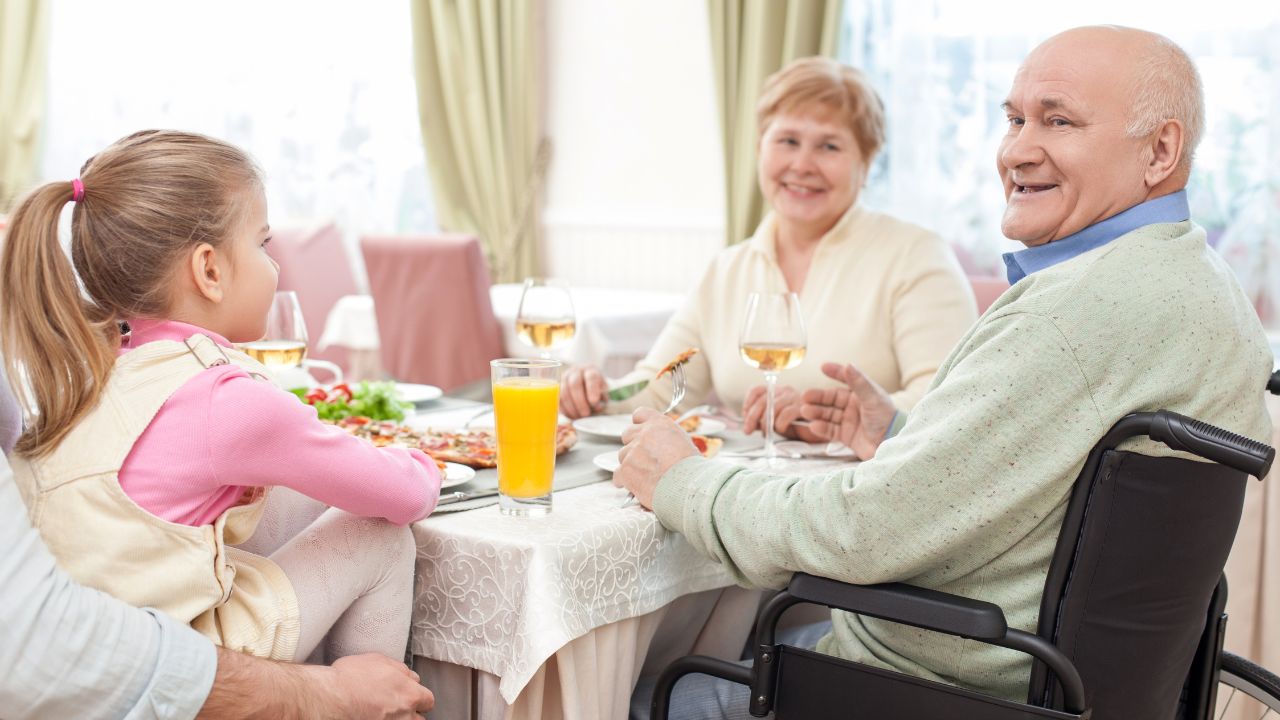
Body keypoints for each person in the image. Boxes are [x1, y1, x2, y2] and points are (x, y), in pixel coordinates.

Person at [616, 25, 1272, 716]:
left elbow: (860, 532)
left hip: (937, 687)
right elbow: (1059, 483)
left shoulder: (1071, 312)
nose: (1016, 150)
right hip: (1069, 684)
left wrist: (681, 482)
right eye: (1015, 120)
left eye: (1059, 120)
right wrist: (903, 430)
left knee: (642, 693)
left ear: (1161, 150)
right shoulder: (1205, 289)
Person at [0, 130, 441, 665]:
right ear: (209, 270)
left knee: (282, 500)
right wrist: (422, 462)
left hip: (91, 645)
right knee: (378, 535)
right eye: (262, 243)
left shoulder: (85, 367)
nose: (273, 265)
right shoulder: (225, 397)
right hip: (183, 657)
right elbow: (404, 495)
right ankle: (367, 694)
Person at [560, 56, 976, 439]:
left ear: (866, 164)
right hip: (748, 492)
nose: (802, 165)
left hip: (867, 493)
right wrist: (598, 394)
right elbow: (664, 390)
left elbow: (948, 401)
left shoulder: (916, 256)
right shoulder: (727, 269)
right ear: (760, 149)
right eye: (788, 141)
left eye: (829, 146)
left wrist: (831, 417)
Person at [1, 448, 436, 719]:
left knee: (287, 498)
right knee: (379, 534)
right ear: (210, 289)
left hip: (151, 610)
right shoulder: (222, 379)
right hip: (196, 634)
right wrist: (335, 694)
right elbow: (38, 647)